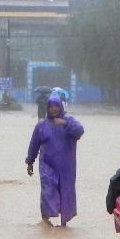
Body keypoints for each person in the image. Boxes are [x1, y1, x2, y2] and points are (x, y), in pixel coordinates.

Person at [25, 94, 85, 227]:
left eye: (56, 106)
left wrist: (64, 123)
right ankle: (46, 220)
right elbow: (34, 144)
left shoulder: (69, 121)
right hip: (47, 165)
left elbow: (80, 131)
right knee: (47, 190)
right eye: (50, 106)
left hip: (66, 167)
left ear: (60, 107)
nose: (53, 109)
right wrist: (30, 161)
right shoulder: (41, 125)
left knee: (66, 192)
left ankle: (64, 223)